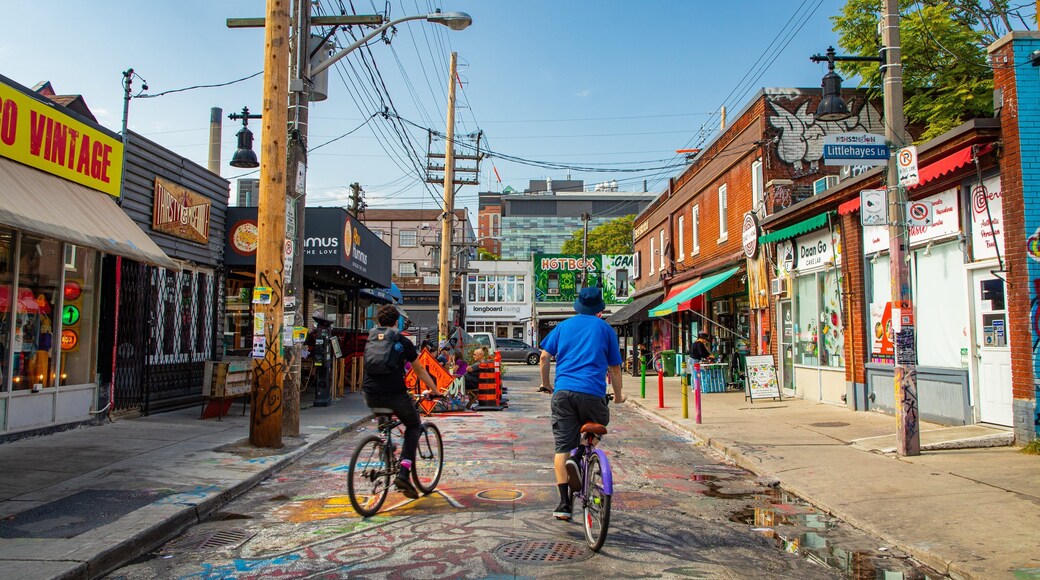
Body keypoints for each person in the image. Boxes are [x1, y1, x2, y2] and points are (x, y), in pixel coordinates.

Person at [538, 287, 625, 521]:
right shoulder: (606, 329)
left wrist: (546, 384)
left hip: (563, 393)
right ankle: (579, 457)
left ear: (578, 306)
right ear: (599, 308)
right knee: (599, 423)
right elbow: (615, 368)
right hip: (592, 395)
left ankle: (564, 504)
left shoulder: (563, 326)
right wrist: (618, 396)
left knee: (561, 448)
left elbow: (544, 357)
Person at [362, 304, 441, 499]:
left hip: (370, 393)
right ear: (396, 322)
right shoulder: (402, 341)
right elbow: (419, 369)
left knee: (384, 418)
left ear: (379, 321)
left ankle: (385, 448)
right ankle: (404, 472)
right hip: (394, 394)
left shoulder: (371, 339)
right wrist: (434, 389)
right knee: (413, 425)